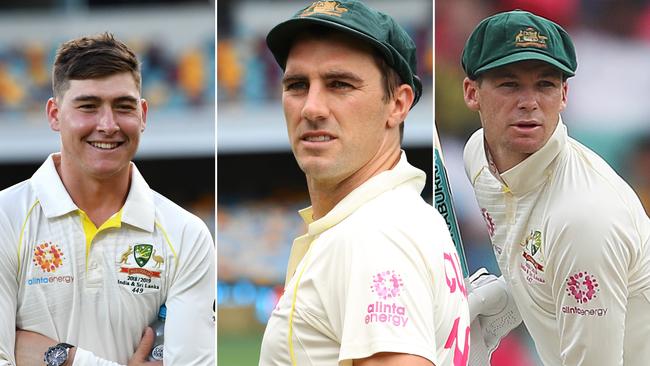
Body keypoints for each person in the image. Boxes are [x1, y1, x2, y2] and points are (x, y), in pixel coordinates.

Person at [259, 1, 469, 365]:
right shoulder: (400, 219)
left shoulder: (372, 236)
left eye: (339, 84)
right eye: (296, 85)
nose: (311, 108)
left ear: (398, 104)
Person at [0, 33, 215, 366]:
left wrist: (55, 357)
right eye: (88, 106)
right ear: (55, 114)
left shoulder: (186, 234)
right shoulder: (6, 217)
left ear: (143, 114)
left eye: (123, 106)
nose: (108, 124)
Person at [460, 10, 650, 366]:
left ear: (564, 94)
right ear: (472, 92)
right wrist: (508, 296)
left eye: (545, 84)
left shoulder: (585, 217)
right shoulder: (478, 158)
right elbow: (537, 253)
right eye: (509, 84)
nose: (529, 102)